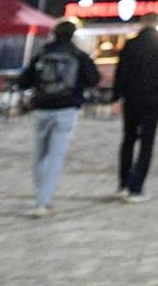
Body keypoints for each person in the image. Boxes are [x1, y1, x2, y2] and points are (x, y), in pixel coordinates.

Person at [18, 20, 100, 217]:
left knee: (40, 154)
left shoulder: (42, 54)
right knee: (56, 155)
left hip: (42, 107)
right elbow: (93, 79)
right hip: (66, 108)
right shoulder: (78, 55)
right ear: (73, 35)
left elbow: (24, 81)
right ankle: (44, 201)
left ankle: (39, 195)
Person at [112, 13, 158, 202]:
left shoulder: (130, 44)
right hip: (153, 97)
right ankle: (137, 187)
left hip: (132, 97)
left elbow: (121, 72)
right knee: (147, 142)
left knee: (128, 139)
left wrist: (116, 97)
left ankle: (123, 184)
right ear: (157, 24)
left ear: (142, 24)